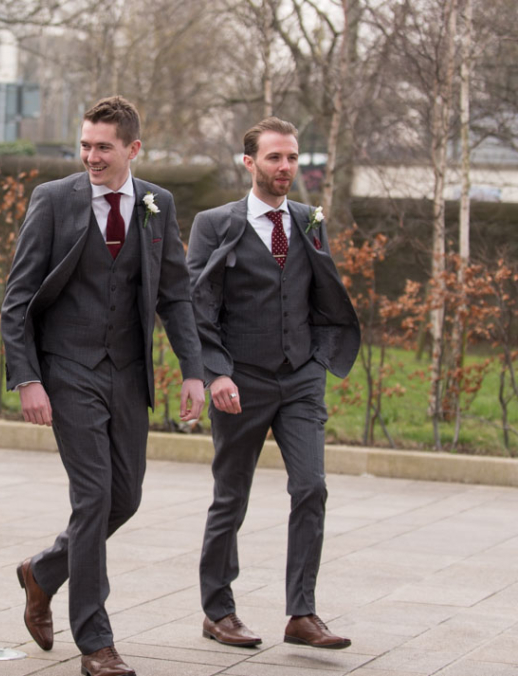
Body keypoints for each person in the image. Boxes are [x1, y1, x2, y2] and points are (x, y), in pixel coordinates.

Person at [1, 96, 205, 676]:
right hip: (67, 368)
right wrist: (28, 379)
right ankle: (96, 641)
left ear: (132, 150)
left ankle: (42, 572)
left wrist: (193, 368)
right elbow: (17, 299)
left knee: (126, 498)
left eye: (103, 147)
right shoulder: (53, 200)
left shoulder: (156, 205)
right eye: (85, 145)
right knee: (92, 497)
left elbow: (174, 294)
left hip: (128, 371)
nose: (91, 156)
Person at [187, 117, 360, 650]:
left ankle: (301, 614)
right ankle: (218, 611)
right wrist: (215, 372)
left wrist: (321, 356)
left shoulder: (309, 219)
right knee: (230, 498)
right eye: (274, 159)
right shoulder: (215, 223)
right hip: (242, 379)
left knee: (312, 487)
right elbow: (198, 304)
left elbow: (319, 290)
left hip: (301, 377)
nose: (286, 168)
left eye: (292, 158)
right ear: (250, 163)